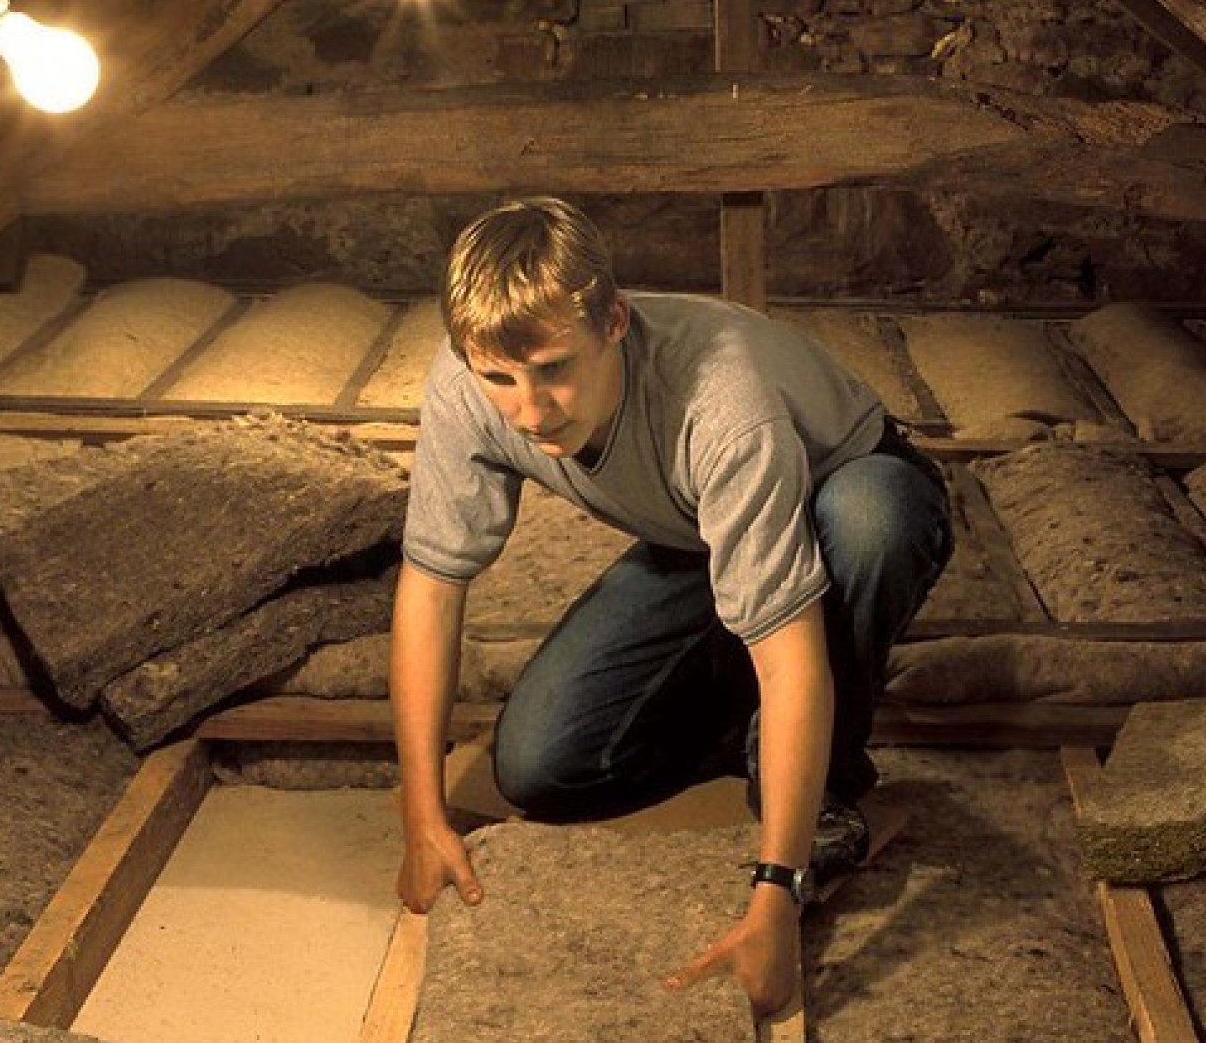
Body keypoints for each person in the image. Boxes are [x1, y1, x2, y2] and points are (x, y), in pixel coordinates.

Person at [390, 197, 952, 1017]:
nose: (531, 411)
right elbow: (430, 590)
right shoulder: (465, 383)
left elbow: (792, 659)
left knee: (872, 522)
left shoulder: (722, 407)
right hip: (700, 533)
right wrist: (420, 814)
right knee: (541, 767)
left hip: (853, 490)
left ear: (614, 321)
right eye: (502, 379)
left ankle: (815, 778)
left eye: (554, 369)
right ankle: (745, 706)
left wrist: (778, 895)